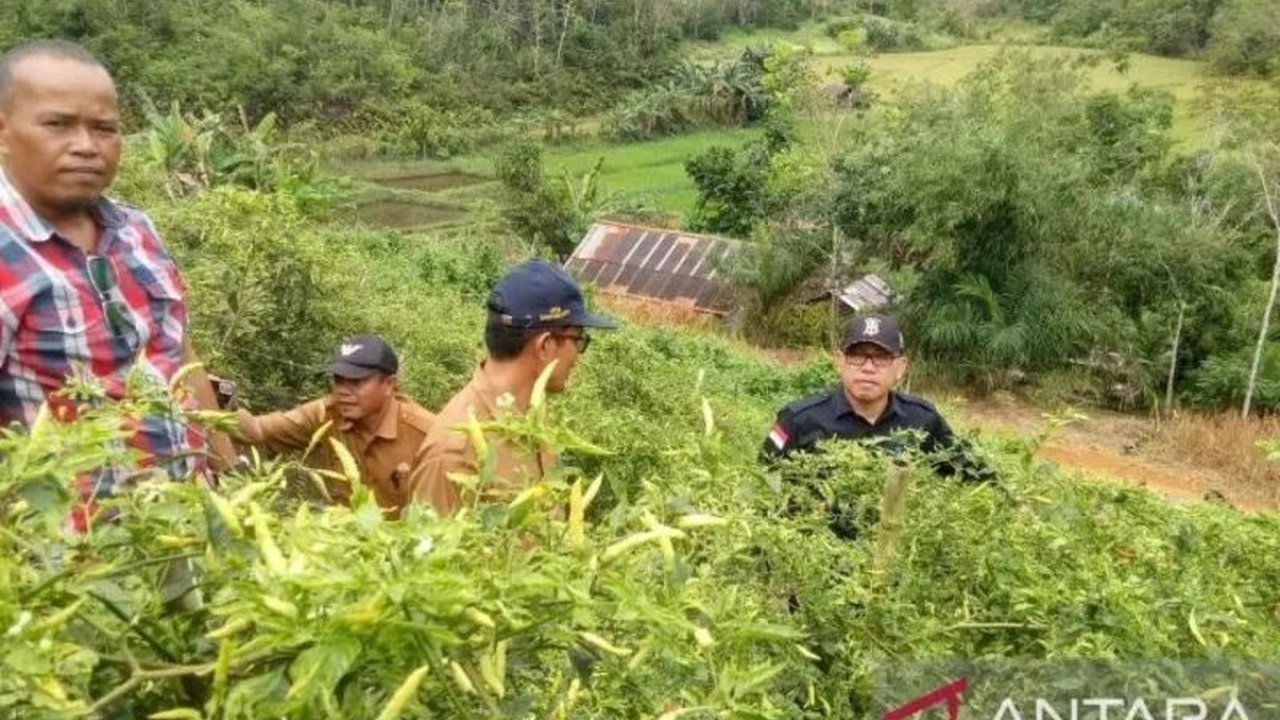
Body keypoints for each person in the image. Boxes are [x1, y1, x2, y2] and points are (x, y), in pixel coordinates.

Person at [0, 40, 233, 515]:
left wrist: (228, 471)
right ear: (3, 131)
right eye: (57, 124)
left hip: (188, 530)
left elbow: (179, 354)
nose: (86, 145)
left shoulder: (135, 230)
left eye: (104, 128)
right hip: (75, 565)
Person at [408, 260, 616, 515]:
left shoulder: (533, 418)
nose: (578, 356)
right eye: (578, 339)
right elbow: (430, 550)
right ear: (545, 346)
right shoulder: (454, 456)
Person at [762, 314, 992, 481]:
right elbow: (763, 481)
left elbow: (973, 475)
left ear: (900, 367)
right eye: (857, 357)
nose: (868, 368)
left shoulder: (922, 420)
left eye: (880, 358)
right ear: (840, 362)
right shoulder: (798, 419)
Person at [235, 334, 433, 516]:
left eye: (356, 382)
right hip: (344, 540)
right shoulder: (326, 414)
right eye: (339, 380)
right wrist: (213, 403)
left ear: (389, 384)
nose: (343, 391)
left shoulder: (426, 433)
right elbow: (257, 431)